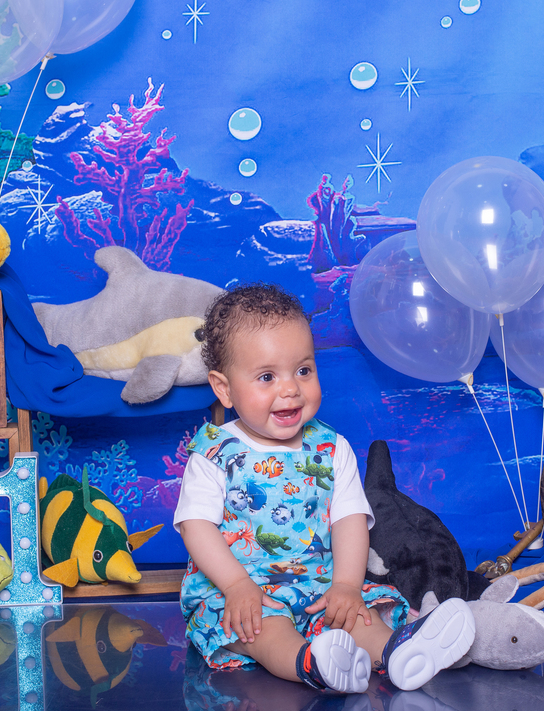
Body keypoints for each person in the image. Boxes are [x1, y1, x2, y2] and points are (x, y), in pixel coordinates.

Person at [175, 284, 474, 695]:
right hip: (244, 590)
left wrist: (346, 586)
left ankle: (398, 653)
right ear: (224, 389)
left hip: (319, 585)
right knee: (265, 631)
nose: (290, 389)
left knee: (356, 617)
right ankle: (312, 663)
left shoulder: (331, 448)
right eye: (267, 377)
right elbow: (196, 527)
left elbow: (349, 521)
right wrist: (236, 586)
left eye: (303, 370)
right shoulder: (214, 453)